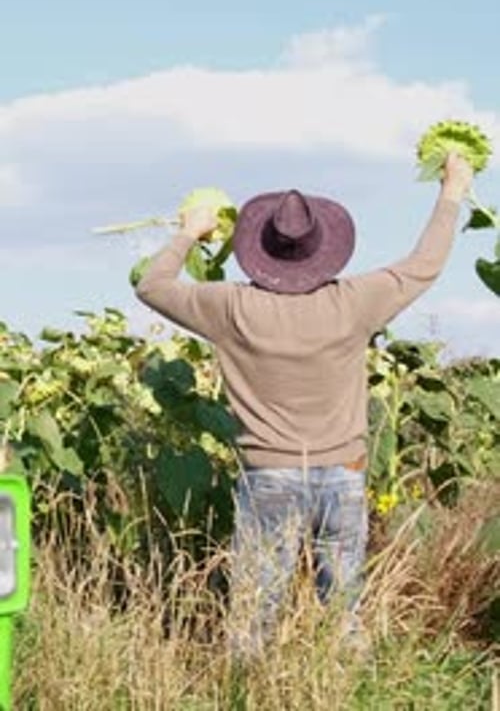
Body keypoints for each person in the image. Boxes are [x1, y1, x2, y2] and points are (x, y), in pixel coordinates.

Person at [135, 152, 473, 657]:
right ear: (323, 250)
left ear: (259, 251)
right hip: (344, 473)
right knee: (343, 617)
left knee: (254, 619)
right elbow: (425, 265)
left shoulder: (231, 306)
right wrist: (451, 192)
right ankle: (344, 691)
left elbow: (152, 286)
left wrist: (190, 231)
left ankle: (250, 695)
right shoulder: (354, 301)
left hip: (268, 476)